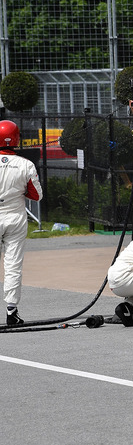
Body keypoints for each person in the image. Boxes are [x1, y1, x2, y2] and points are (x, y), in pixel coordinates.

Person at [0, 120, 43, 325]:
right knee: (13, 265)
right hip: (15, 217)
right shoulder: (26, 164)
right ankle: (11, 312)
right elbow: (37, 196)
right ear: (17, 138)